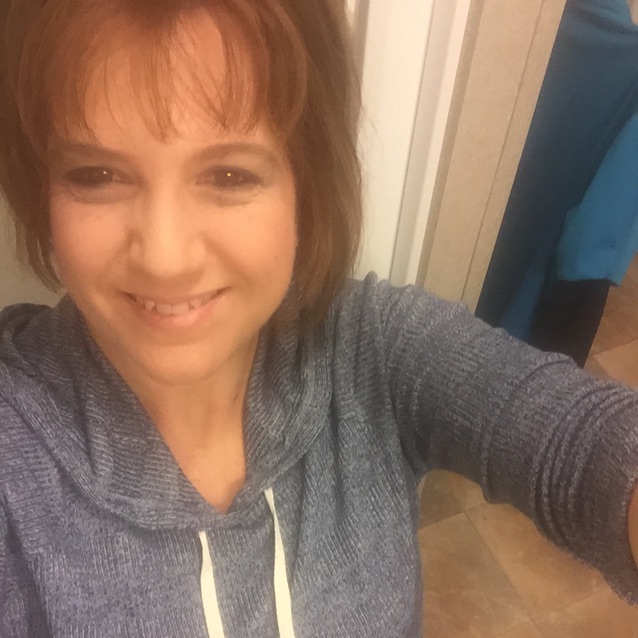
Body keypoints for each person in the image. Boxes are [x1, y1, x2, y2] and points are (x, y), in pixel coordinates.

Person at [0, 1, 636, 636]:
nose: (165, 258)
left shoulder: (372, 350)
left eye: (229, 174)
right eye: (97, 175)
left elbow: (581, 446)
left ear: (305, 185)